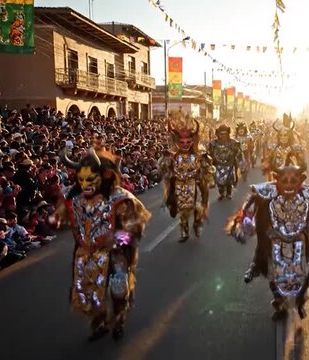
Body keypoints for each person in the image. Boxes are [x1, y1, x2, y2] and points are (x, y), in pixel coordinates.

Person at [52, 147, 151, 341]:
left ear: (104, 175)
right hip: (87, 252)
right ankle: (100, 321)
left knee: (118, 287)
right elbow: (66, 222)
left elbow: (135, 227)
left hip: (116, 252)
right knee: (90, 292)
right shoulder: (75, 197)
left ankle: (120, 318)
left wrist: (118, 239)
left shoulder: (120, 198)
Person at [226, 158, 309, 320]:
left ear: (301, 180)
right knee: (272, 271)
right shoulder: (266, 192)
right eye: (284, 180)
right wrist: (245, 220)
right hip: (274, 238)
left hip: (300, 238)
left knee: (304, 270)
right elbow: (249, 207)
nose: (288, 185)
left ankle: (301, 299)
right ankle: (277, 299)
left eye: (293, 181)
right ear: (276, 178)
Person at [162, 115, 213, 243]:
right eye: (181, 142)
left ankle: (197, 223)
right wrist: (166, 163)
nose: (185, 144)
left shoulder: (199, 155)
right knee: (182, 209)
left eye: (187, 141)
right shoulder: (172, 155)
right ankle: (184, 231)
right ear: (177, 141)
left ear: (193, 140)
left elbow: (209, 169)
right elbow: (163, 171)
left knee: (197, 206)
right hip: (179, 184)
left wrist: (205, 168)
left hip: (194, 183)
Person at [262, 114, 304, 180]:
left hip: (291, 177)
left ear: (289, 137)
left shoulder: (295, 148)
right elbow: (268, 161)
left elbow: (301, 164)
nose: (283, 137)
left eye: (285, 135)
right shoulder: (274, 147)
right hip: (276, 176)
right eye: (281, 135)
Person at [209, 124, 242, 200]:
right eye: (221, 134)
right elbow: (209, 154)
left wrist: (236, 157)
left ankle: (229, 193)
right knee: (219, 181)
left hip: (229, 164)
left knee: (229, 181)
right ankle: (221, 193)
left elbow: (238, 153)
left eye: (225, 134)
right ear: (218, 134)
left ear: (228, 134)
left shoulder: (233, 143)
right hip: (218, 164)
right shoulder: (213, 143)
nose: (223, 136)